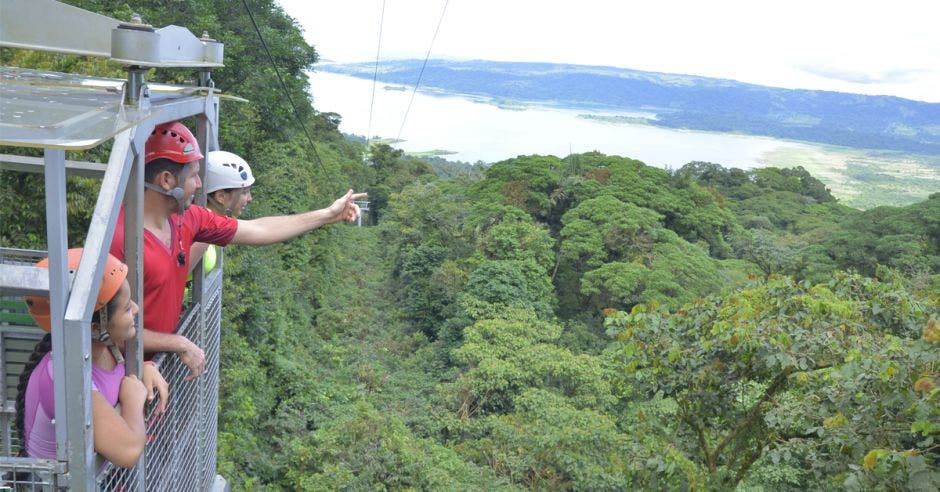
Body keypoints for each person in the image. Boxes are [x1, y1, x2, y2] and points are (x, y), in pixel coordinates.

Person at [109, 121, 365, 380]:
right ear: (166, 180)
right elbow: (109, 328)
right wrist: (176, 343)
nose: (199, 185)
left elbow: (259, 230)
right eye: (194, 176)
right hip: (123, 377)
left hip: (155, 370)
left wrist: (325, 215)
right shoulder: (120, 240)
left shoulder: (189, 219)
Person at [18, 249, 169, 467]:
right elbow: (128, 451)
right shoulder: (66, 376)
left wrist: (145, 366)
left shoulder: (105, 347)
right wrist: (133, 401)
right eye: (127, 308)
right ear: (95, 326)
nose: (135, 309)